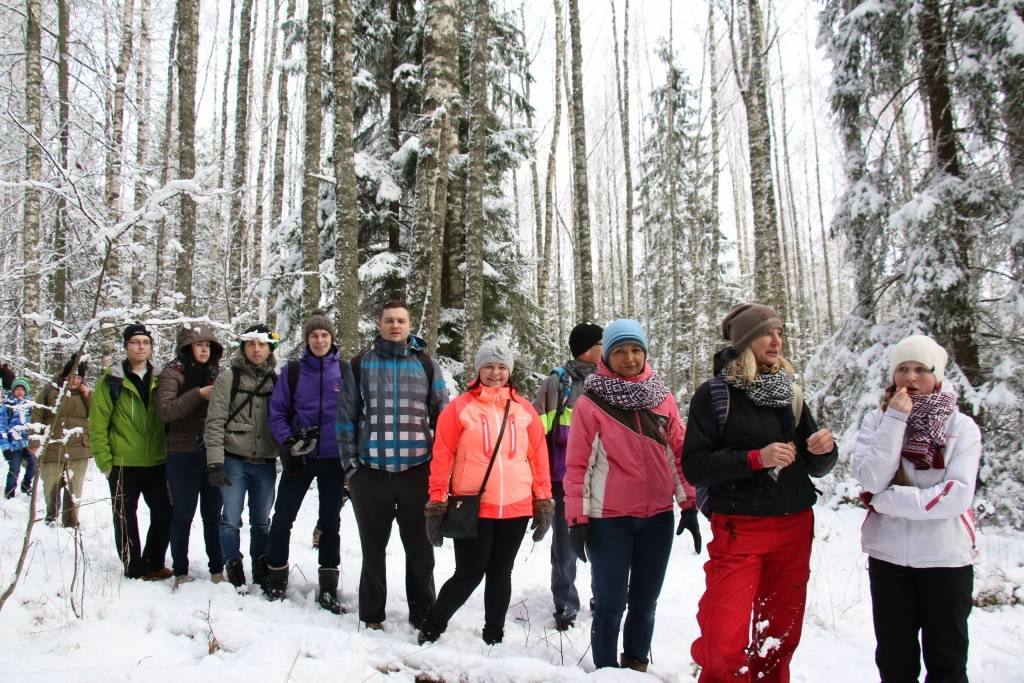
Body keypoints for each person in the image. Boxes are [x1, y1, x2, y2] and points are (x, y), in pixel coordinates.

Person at [682, 303, 837, 682]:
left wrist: (825, 451)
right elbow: (695, 466)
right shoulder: (715, 395)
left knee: (778, 638)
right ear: (746, 341)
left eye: (780, 332)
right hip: (740, 528)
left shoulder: (790, 393)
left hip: (794, 527)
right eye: (768, 333)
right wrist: (755, 459)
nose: (777, 340)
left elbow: (815, 467)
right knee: (724, 641)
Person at [563, 319, 698, 672]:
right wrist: (576, 520)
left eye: (636, 350)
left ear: (645, 353)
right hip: (610, 520)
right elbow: (577, 468)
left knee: (645, 602)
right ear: (606, 356)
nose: (629, 358)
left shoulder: (662, 397)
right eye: (620, 351)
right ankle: (607, 673)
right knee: (610, 604)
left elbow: (678, 452)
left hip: (657, 519)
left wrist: (689, 504)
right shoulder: (590, 404)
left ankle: (636, 666)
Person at [852, 334, 981, 683]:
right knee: (895, 661)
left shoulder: (960, 427)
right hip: (889, 558)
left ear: (936, 376)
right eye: (903, 369)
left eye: (921, 370)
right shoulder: (877, 421)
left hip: (945, 560)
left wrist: (888, 500)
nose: (910, 378)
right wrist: (895, 421)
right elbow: (868, 476)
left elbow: (956, 495)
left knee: (947, 662)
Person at [417, 339, 553, 645]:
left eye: (502, 367)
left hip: (517, 506)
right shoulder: (460, 408)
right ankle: (432, 625)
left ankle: (494, 636)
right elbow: (442, 458)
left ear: (510, 371)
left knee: (501, 573)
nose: (495, 373)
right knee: (469, 574)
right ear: (478, 369)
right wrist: (437, 503)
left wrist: (543, 499)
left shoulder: (525, 410)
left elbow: (538, 457)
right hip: (473, 506)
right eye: (489, 366)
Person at [337, 299, 449, 629]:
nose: (395, 326)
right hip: (371, 473)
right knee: (373, 550)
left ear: (410, 325)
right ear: (379, 324)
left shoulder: (426, 364)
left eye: (401, 320)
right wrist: (352, 468)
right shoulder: (359, 364)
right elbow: (345, 418)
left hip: (417, 472)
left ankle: (423, 612)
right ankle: (372, 616)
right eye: (389, 320)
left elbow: (443, 418)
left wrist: (439, 469)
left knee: (420, 550)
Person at [264, 310, 345, 612]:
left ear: (332, 338)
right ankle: (275, 577)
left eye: (324, 335)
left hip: (334, 459)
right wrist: (289, 440)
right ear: (307, 339)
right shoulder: (294, 372)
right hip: (300, 456)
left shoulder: (345, 372)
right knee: (283, 516)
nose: (320, 340)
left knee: (330, 522)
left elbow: (354, 414)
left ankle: (328, 588)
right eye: (314, 335)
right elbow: (277, 412)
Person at [532, 321, 603, 630]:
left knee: (604, 544)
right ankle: (566, 604)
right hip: (563, 480)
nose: (607, 348)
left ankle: (603, 598)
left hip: (603, 480)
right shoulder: (557, 383)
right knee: (565, 546)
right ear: (588, 349)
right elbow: (535, 434)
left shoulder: (611, 381)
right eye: (602, 343)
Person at [89, 323, 172, 580]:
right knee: (125, 517)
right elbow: (98, 422)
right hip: (123, 462)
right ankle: (133, 566)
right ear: (126, 346)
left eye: (145, 342)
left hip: (157, 460)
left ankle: (154, 561)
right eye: (135, 342)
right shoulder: (111, 381)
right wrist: (104, 460)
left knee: (165, 512)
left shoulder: (162, 377)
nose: (140, 347)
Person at [204, 324, 280, 589]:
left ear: (270, 348)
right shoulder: (228, 378)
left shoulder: (277, 380)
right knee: (230, 519)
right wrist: (215, 462)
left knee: (262, 520)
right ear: (244, 348)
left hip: (266, 463)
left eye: (262, 345)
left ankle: (260, 562)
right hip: (234, 459)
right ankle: (233, 563)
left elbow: (283, 420)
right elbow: (214, 421)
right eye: (251, 344)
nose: (257, 350)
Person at [156, 324, 225, 586]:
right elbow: (166, 411)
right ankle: (181, 571)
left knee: (213, 515)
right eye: (199, 345)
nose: (204, 350)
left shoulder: (218, 373)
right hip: (182, 452)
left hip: (212, 452)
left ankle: (217, 569)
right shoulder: (172, 373)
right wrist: (197, 395)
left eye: (208, 345)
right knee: (183, 514)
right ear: (188, 348)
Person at [32, 357, 91, 527]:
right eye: (72, 376)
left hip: (79, 447)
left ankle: (71, 521)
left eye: (79, 377)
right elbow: (36, 414)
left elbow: (97, 416)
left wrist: (88, 397)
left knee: (75, 487)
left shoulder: (86, 394)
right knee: (51, 483)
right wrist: (34, 440)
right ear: (65, 376)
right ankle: (51, 515)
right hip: (53, 445)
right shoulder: (49, 391)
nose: (75, 380)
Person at [2, 377, 37, 498]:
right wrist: (5, 447)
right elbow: (2, 427)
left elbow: (35, 424)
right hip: (13, 445)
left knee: (33, 464)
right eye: (17, 389)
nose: (20, 392)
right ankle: (10, 492)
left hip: (28, 444)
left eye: (23, 389)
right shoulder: (7, 407)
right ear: (13, 391)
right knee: (14, 469)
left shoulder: (31, 406)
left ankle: (26, 484)